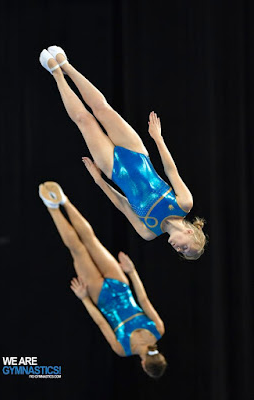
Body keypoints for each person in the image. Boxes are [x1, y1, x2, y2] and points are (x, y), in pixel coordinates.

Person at [39, 45, 207, 260]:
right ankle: (66, 66)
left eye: (181, 253)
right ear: (190, 232)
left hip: (112, 168)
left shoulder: (148, 231)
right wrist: (158, 138)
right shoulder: (184, 203)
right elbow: (170, 169)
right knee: (102, 108)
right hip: (136, 153)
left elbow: (122, 204)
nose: (178, 249)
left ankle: (56, 73)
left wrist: (99, 180)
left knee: (84, 120)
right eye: (185, 248)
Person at [39, 181, 167, 378]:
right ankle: (53, 206)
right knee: (78, 249)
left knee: (89, 242)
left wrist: (132, 273)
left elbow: (143, 300)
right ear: (143, 364)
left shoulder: (158, 330)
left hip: (121, 286)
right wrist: (84, 298)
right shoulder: (122, 349)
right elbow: (100, 322)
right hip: (101, 297)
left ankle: (64, 201)